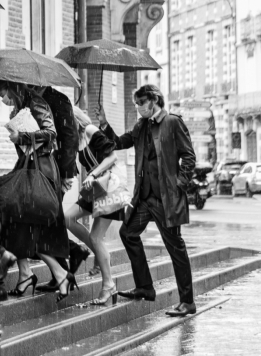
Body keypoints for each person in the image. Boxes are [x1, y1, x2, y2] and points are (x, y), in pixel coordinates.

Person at [98, 85, 197, 317]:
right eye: (136, 103)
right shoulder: (141, 126)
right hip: (144, 198)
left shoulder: (172, 122)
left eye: (141, 102)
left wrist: (178, 185)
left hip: (165, 200)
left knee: (176, 248)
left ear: (154, 101)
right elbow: (120, 142)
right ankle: (145, 287)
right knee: (128, 233)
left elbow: (189, 157)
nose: (138, 107)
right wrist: (104, 125)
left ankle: (188, 301)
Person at [0, 80, 75, 302]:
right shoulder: (19, 108)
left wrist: (22, 137)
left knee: (30, 225)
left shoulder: (37, 103)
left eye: (4, 94)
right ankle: (34, 275)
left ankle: (44, 275)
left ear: (13, 89)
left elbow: (51, 133)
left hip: (43, 170)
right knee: (15, 222)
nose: (3, 100)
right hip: (29, 167)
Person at [28, 86, 91, 292]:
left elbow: (69, 136)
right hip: (43, 168)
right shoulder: (33, 98)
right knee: (51, 219)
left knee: (48, 219)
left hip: (56, 170)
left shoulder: (57, 98)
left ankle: (69, 259)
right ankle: (67, 264)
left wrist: (64, 173)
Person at [64, 106, 122, 305]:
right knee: (68, 218)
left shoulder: (89, 130)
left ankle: (108, 286)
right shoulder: (76, 138)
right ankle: (97, 251)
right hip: (94, 189)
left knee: (96, 238)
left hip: (107, 187)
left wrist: (92, 174)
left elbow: (113, 156)